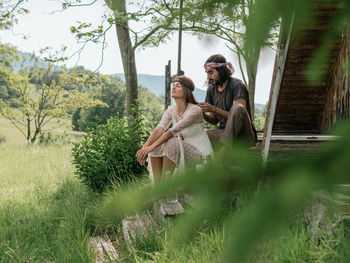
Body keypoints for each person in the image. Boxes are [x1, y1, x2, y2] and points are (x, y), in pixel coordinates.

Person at [136, 75, 213, 183]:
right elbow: (160, 128)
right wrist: (146, 147)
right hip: (182, 150)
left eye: (178, 86)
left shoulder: (195, 110)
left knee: (170, 142)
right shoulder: (171, 110)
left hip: (200, 154)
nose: (174, 87)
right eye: (173, 85)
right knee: (156, 145)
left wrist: (150, 147)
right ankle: (158, 189)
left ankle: (166, 187)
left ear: (186, 91)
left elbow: (172, 131)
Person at [198, 54, 257, 147]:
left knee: (238, 108)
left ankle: (222, 155)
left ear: (221, 71)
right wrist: (202, 114)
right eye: (206, 73)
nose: (208, 77)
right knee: (199, 135)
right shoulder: (211, 90)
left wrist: (214, 109)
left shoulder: (237, 85)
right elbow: (214, 121)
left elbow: (239, 115)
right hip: (223, 132)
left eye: (210, 72)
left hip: (243, 135)